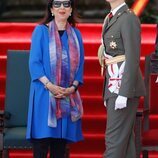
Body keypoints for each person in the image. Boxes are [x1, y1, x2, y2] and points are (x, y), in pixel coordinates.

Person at [26, 0, 84, 157]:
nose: (62, 8)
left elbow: (80, 66)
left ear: (71, 9)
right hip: (44, 95)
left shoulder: (76, 35)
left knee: (60, 148)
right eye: (57, 4)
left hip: (66, 96)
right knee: (41, 146)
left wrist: (72, 88)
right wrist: (50, 86)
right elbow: (34, 64)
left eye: (66, 4)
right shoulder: (40, 31)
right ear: (51, 9)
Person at [98, 0, 146, 157]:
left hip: (123, 86)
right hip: (113, 84)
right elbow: (110, 57)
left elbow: (132, 57)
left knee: (114, 142)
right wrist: (107, 91)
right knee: (125, 143)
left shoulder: (128, 18)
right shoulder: (110, 17)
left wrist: (124, 93)